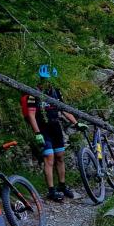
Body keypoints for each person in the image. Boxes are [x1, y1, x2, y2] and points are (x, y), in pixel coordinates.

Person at [24, 65, 87, 201]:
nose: (47, 81)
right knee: (49, 158)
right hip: (42, 129)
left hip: (55, 127)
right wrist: (37, 133)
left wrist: (76, 123)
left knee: (60, 156)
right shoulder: (33, 93)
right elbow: (31, 115)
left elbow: (64, 109)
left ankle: (62, 186)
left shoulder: (56, 91)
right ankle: (51, 191)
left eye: (49, 79)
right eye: (45, 79)